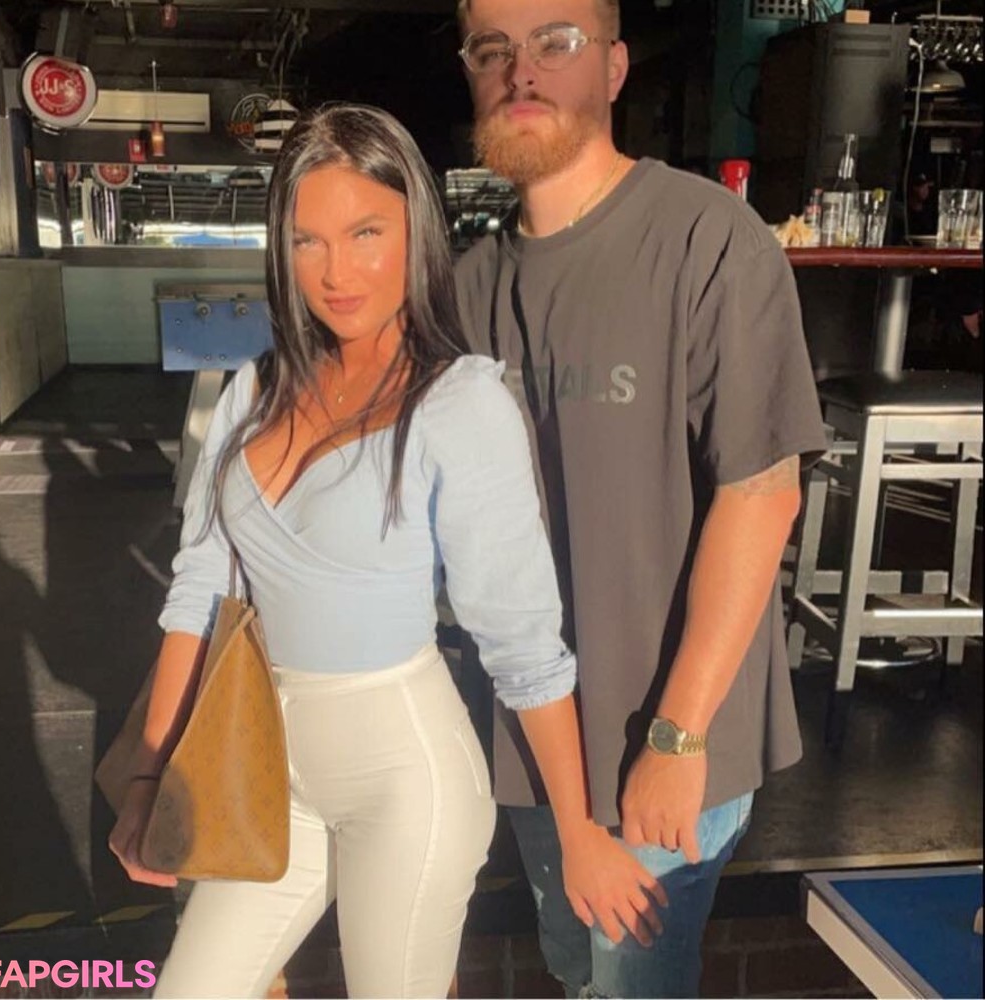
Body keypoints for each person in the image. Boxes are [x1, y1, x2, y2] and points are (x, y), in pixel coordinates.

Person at [108, 103, 666, 1000]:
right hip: (267, 771)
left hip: (406, 785)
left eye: (366, 233)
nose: (337, 272)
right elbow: (199, 592)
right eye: (308, 240)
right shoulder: (252, 390)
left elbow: (522, 645)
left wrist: (579, 832)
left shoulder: (459, 404)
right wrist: (149, 773)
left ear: (417, 232)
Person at [452, 2, 828, 997]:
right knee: (576, 968)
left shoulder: (710, 240)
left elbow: (762, 495)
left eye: (556, 42)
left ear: (615, 68)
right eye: (494, 49)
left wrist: (678, 734)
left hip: (661, 735)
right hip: (537, 743)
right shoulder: (467, 285)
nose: (522, 71)